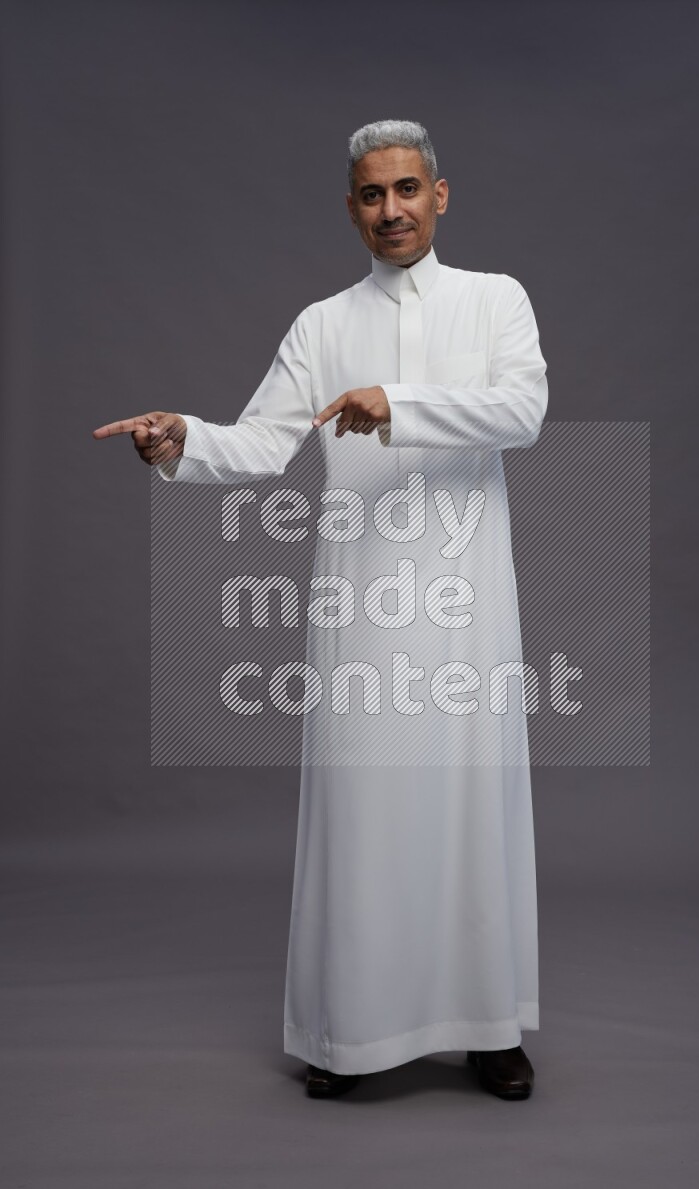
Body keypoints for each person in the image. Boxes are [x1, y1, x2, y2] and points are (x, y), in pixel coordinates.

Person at [93, 119, 548, 1101]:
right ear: (351, 210)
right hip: (363, 605)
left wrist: (398, 402)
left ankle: (487, 1026)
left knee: (471, 806)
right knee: (364, 813)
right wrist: (179, 441)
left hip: (468, 605)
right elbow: (258, 445)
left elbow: (523, 410)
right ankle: (349, 1034)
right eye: (371, 196)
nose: (391, 210)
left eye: (406, 189)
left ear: (439, 194)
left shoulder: (494, 300)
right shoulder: (319, 323)